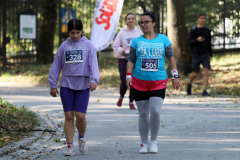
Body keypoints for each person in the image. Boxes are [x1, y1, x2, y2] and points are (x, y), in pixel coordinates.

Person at [126, 12, 180, 154]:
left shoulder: (164, 40)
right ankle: (144, 143)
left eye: (146, 22)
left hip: (158, 81)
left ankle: (154, 142)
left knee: (155, 111)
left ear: (153, 23)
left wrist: (175, 76)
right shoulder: (136, 42)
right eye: (141, 23)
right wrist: (128, 76)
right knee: (143, 113)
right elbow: (131, 60)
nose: (144, 25)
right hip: (139, 82)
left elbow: (171, 58)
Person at [48, 19, 100, 156]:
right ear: (68, 32)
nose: (75, 36)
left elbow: (94, 64)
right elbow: (56, 66)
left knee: (80, 116)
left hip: (83, 85)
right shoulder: (64, 46)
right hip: (67, 84)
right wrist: (53, 84)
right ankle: (69, 146)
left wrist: (94, 80)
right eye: (72, 33)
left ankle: (81, 138)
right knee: (69, 116)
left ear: (82, 31)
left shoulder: (88, 46)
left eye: (78, 32)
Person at [113, 13, 142, 109]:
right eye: (128, 18)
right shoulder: (121, 33)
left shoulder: (139, 33)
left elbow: (143, 45)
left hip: (135, 60)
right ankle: (121, 96)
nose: (130, 20)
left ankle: (131, 101)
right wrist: (121, 51)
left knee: (134, 80)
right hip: (123, 59)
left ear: (135, 20)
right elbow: (115, 46)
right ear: (126, 21)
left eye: (132, 18)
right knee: (124, 80)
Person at [187, 13, 212, 96]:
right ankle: (189, 84)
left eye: (204, 18)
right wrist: (197, 40)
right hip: (196, 54)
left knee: (206, 71)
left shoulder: (207, 31)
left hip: (205, 54)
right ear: (198, 19)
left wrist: (210, 53)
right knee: (195, 72)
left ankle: (204, 90)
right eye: (201, 18)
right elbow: (189, 42)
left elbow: (209, 43)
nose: (202, 20)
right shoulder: (193, 30)